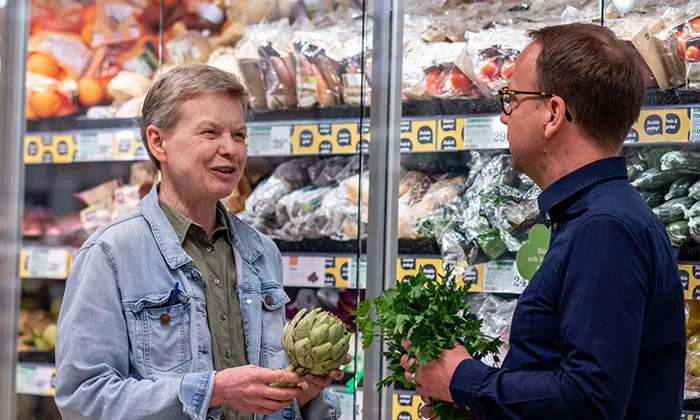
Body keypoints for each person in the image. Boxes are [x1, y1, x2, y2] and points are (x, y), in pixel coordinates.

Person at [401, 23, 686, 419]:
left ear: (553, 112)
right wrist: (476, 406)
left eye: (512, 99)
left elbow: (589, 400)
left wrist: (464, 380)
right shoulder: (594, 217)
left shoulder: (605, 228)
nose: (504, 118)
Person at [55, 63, 343, 420]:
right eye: (210, 133)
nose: (231, 150)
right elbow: (83, 399)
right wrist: (212, 392)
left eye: (239, 135)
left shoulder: (261, 252)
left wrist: (302, 395)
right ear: (158, 142)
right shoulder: (111, 255)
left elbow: (265, 399)